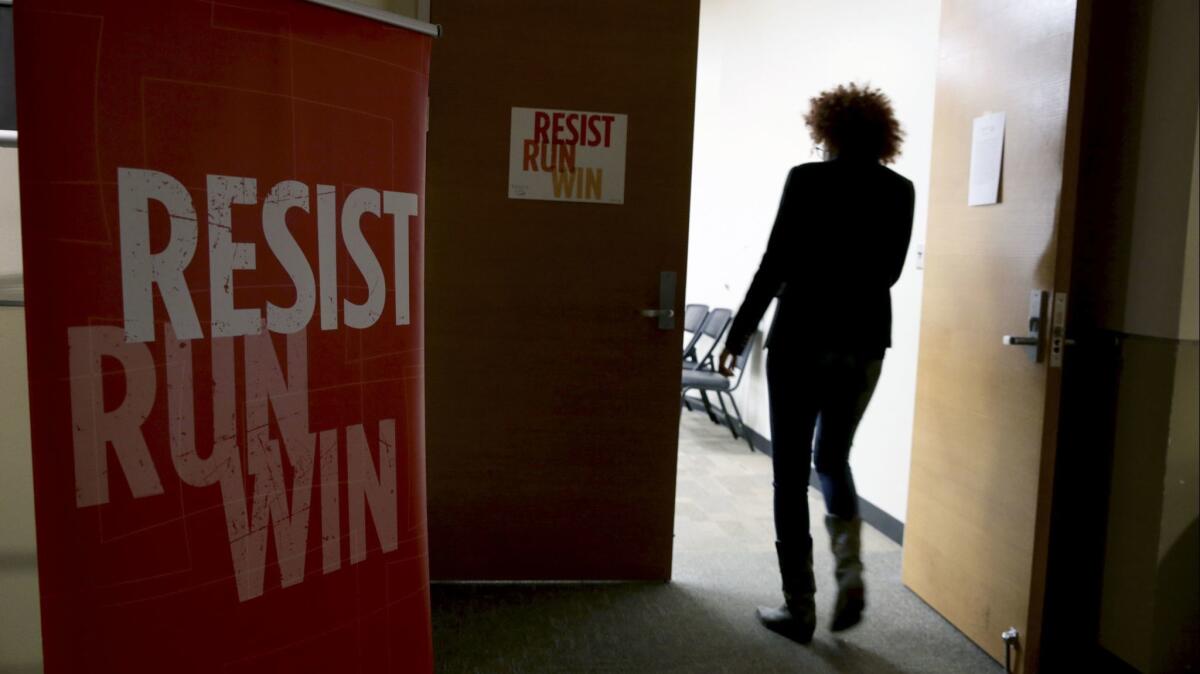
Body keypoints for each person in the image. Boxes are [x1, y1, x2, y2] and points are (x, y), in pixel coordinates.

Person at [717, 83, 915, 643]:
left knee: (788, 474)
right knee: (833, 459)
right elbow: (891, 272)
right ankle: (850, 573)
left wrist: (739, 332)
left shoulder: (806, 179)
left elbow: (775, 260)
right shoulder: (900, 190)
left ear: (826, 130)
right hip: (865, 342)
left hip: (802, 337)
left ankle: (798, 606)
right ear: (881, 135)